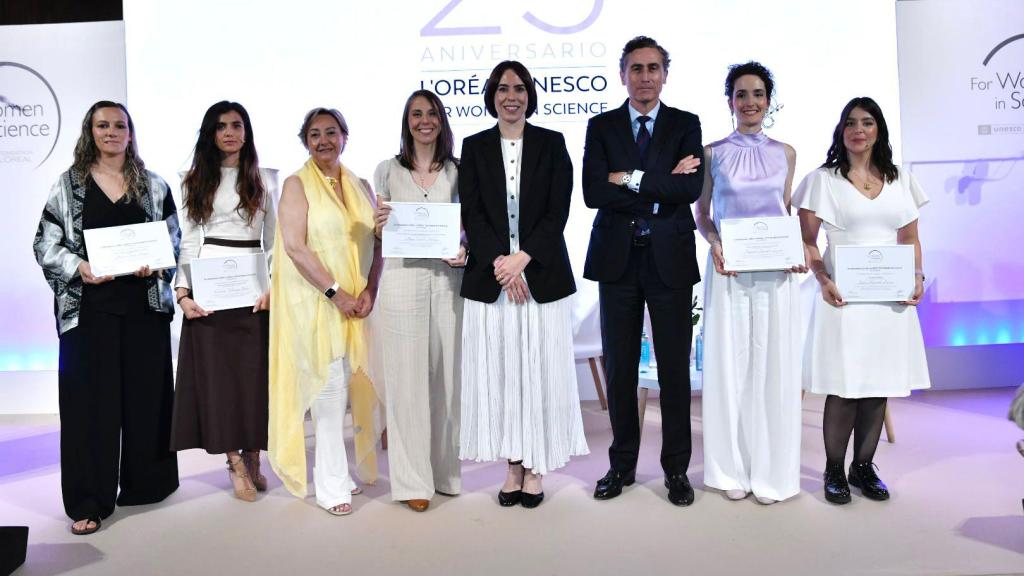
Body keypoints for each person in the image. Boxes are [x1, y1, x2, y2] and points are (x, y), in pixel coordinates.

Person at [33, 101, 180, 534]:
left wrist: (155, 263)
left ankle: (146, 485)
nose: (112, 132)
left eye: (120, 125)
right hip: (89, 313)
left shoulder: (153, 185)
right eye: (103, 125)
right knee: (88, 409)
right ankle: (88, 500)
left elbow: (173, 238)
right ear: (90, 131)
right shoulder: (68, 186)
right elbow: (45, 243)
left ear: (130, 133)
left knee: (146, 400)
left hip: (144, 310)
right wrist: (79, 267)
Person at [459, 60, 588, 509]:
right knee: (503, 375)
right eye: (502, 88)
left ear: (530, 94)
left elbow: (559, 210)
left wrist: (523, 260)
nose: (511, 96)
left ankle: (535, 468)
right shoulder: (473, 147)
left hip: (542, 276)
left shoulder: (553, 143)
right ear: (492, 95)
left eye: (519, 88)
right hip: (492, 281)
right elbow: (472, 212)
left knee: (538, 374)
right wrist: (501, 263)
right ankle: (511, 465)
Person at [583, 36, 703, 506]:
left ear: (665, 74)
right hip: (617, 261)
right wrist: (660, 186)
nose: (645, 76)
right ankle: (622, 465)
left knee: (674, 370)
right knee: (620, 370)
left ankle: (676, 470)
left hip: (669, 260)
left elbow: (690, 187)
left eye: (654, 67)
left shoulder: (685, 124)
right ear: (623, 74)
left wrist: (628, 179)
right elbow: (594, 190)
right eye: (636, 68)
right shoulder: (602, 125)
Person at [794, 96, 931, 504]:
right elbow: (807, 241)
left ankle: (863, 467)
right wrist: (822, 278)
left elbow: (909, 239)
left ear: (878, 130)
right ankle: (833, 469)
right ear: (841, 130)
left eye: (867, 122)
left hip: (890, 300)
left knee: (878, 384)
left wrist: (918, 276)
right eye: (851, 122)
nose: (858, 129)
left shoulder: (900, 179)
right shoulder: (823, 180)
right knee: (845, 385)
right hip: (843, 298)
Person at [695, 62, 805, 505]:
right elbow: (703, 214)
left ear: (769, 99)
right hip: (728, 272)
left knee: (774, 369)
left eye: (758, 94)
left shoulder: (787, 153)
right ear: (730, 101)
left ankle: (773, 472)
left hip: (776, 276)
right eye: (742, 94)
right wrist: (715, 242)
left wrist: (796, 252)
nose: (750, 102)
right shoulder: (712, 153)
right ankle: (728, 470)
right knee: (729, 368)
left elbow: (786, 214)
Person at [268, 107, 383, 516]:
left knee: (351, 389)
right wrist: (337, 294)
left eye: (330, 132)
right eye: (314, 135)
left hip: (357, 305)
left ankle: (341, 474)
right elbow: (296, 247)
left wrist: (371, 288)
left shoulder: (362, 184)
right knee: (329, 392)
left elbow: (379, 242)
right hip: (317, 304)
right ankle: (330, 485)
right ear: (305, 141)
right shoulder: (296, 185)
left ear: (344, 136)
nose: (323, 141)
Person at [170, 101, 277, 501]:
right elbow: (190, 239)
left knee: (253, 380)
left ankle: (253, 456)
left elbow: (274, 241)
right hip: (210, 288)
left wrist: (273, 287)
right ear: (210, 134)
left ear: (246, 131)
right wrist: (183, 292)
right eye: (220, 126)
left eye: (236, 125)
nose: (229, 132)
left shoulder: (266, 179)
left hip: (254, 291)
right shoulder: (194, 179)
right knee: (219, 383)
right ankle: (233, 462)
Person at [371, 90, 466, 512]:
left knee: (450, 379)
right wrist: (378, 228)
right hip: (402, 280)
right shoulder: (387, 170)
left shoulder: (459, 170)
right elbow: (380, 232)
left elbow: (471, 228)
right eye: (416, 114)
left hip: (449, 279)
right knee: (407, 381)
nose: (424, 121)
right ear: (406, 121)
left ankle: (446, 472)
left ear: (441, 120)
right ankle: (412, 481)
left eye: (431, 114)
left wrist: (466, 249)